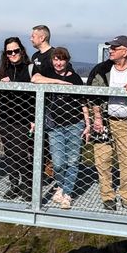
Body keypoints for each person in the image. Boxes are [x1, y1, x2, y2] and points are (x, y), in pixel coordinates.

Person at [86, 35, 127, 213]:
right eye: (110, 48)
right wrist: (97, 117)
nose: (110, 51)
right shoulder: (101, 69)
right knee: (102, 158)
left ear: (125, 51)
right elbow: (93, 94)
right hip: (104, 120)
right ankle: (107, 196)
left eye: (115, 48)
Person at [41, 47, 88, 208]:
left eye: (62, 59)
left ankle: (67, 193)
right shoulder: (48, 74)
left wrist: (87, 124)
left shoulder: (75, 78)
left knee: (73, 160)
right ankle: (61, 185)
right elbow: (35, 79)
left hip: (75, 124)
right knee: (58, 162)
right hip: (54, 125)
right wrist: (58, 82)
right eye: (56, 59)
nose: (58, 63)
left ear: (67, 61)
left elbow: (83, 102)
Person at [0, 38, 35, 201]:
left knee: (21, 152)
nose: (13, 54)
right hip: (3, 117)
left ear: (22, 51)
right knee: (10, 153)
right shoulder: (3, 70)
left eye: (15, 51)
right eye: (9, 52)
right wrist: (1, 84)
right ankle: (14, 185)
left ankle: (27, 185)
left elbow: (33, 96)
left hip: (22, 118)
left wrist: (33, 118)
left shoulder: (30, 69)